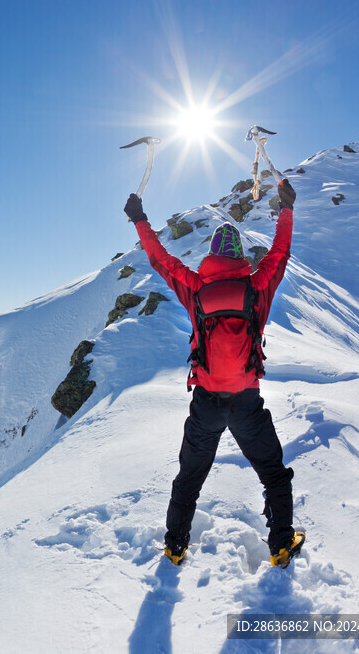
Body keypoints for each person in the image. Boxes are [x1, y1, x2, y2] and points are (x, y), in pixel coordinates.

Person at [123, 179, 304, 568]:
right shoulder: (258, 286)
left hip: (205, 402)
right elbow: (281, 253)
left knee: (190, 476)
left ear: (212, 254)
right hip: (246, 403)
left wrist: (140, 220)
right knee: (273, 473)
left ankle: (175, 546)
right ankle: (282, 544)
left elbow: (159, 260)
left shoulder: (195, 287)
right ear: (240, 255)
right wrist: (286, 210)